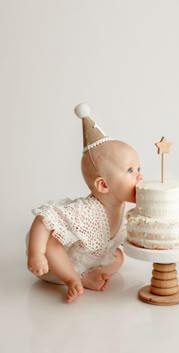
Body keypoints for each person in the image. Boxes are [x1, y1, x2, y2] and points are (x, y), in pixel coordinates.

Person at [27, 103, 142, 303]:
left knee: (118, 257)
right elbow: (43, 217)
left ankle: (89, 275)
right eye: (131, 171)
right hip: (57, 264)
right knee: (53, 242)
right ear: (103, 185)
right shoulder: (86, 210)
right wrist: (36, 254)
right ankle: (73, 278)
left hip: (91, 258)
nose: (140, 176)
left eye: (139, 168)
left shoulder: (123, 210)